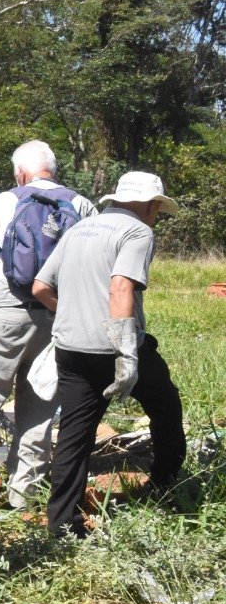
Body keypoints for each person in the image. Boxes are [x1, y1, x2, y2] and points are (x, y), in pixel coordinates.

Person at [31, 171, 185, 539]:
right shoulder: (138, 232)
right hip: (114, 346)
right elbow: (121, 288)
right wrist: (127, 355)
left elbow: (40, 287)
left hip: (71, 348)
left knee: (74, 433)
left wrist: (75, 315)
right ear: (150, 205)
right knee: (166, 406)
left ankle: (63, 523)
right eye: (157, 210)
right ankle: (166, 483)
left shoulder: (79, 229)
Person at [0, 141, 97, 507]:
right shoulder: (81, 205)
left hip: (6, 311)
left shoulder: (3, 201)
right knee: (40, 404)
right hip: (57, 313)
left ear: (21, 173)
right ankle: (23, 492)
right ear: (53, 170)